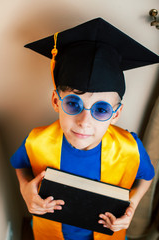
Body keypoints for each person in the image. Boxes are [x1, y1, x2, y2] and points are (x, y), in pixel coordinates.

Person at [11, 18, 159, 240]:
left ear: (116, 114)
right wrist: (24, 189)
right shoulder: (37, 141)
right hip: (49, 233)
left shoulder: (130, 148)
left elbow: (146, 177)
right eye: (73, 103)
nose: (84, 121)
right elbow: (20, 165)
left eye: (101, 109)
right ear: (56, 101)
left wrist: (133, 203)